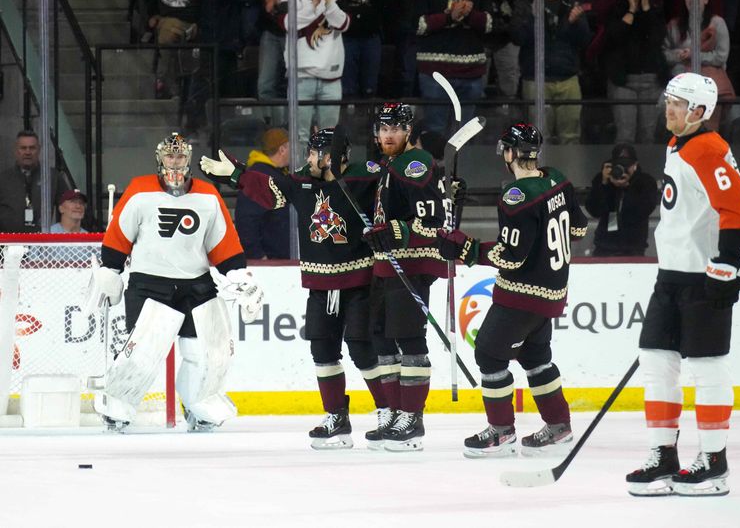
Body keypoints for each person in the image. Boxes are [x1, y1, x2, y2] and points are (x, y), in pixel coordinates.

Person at [200, 127, 389, 449]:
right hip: (320, 282)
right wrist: (235, 175)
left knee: (361, 348)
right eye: (311, 152)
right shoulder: (302, 181)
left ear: (335, 156)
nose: (310, 159)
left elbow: (393, 188)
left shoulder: (364, 177)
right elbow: (270, 192)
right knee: (322, 351)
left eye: (317, 153)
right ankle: (337, 419)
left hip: (359, 281)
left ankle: (387, 411)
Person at [626, 73, 740, 497]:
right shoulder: (678, 144)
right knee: (656, 360)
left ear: (700, 111)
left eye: (679, 103)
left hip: (706, 276)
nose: (670, 109)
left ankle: (714, 462)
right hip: (672, 274)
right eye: (669, 100)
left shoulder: (707, 147)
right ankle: (664, 454)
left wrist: (727, 262)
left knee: (706, 367)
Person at [87, 132, 263, 432]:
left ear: (189, 159)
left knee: (202, 353)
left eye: (180, 156)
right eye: (170, 156)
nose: (175, 161)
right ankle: (117, 405)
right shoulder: (139, 190)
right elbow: (119, 235)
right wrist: (110, 271)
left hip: (196, 285)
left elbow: (224, 244)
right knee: (143, 351)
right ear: (160, 158)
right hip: (148, 283)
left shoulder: (208, 195)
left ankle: (197, 403)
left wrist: (238, 275)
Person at [436, 122, 588, 457]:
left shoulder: (516, 196)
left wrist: (466, 249)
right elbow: (577, 227)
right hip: (552, 293)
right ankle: (559, 425)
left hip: (522, 295)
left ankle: (501, 432)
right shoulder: (557, 180)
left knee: (489, 353)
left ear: (508, 153)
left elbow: (511, 257)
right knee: (536, 357)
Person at [360, 103, 449, 451]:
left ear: (409, 131)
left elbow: (431, 220)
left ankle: (413, 420)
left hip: (410, 263)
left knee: (409, 339)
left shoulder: (415, 164)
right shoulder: (391, 164)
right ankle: (397, 412)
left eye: (395, 129)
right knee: (381, 337)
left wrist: (393, 231)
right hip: (386, 264)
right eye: (382, 130)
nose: (387, 135)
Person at [414, 0, 493, 133]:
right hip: (435, 71)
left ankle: (462, 165)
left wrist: (468, 15)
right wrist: (449, 16)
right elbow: (417, 25)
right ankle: (436, 164)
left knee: (464, 132)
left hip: (471, 70)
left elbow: (490, 24)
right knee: (435, 129)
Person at [511, 0, 591, 144]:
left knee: (570, 136)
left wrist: (574, 23)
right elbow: (518, 38)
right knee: (538, 138)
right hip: (536, 80)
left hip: (567, 78)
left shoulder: (569, 4)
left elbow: (584, 40)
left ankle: (571, 172)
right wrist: (533, 16)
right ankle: (538, 173)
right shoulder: (524, 5)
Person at [279, 0, 350, 145]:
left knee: (329, 136)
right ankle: (300, 175)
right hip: (301, 77)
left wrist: (326, 1)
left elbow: (343, 23)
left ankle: (325, 173)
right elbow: (289, 24)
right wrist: (317, 6)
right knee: (300, 136)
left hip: (331, 78)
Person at [604, 0, 670, 143]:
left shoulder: (654, 13)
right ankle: (623, 167)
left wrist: (645, 8)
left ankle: (646, 168)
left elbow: (656, 38)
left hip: (651, 81)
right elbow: (614, 37)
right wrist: (632, 10)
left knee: (647, 134)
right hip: (623, 82)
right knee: (625, 134)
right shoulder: (616, 12)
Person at [664, 0, 735, 133]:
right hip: (681, 87)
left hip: (710, 85)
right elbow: (664, 53)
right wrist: (679, 54)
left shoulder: (717, 23)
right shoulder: (674, 25)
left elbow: (721, 57)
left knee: (708, 132)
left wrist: (693, 55)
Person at [585, 143, 659, 257]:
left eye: (627, 165)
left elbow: (641, 211)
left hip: (634, 247)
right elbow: (594, 210)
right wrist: (604, 184)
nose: (623, 169)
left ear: (635, 165)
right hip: (604, 246)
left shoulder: (646, 182)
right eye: (619, 165)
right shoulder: (604, 180)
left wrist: (627, 187)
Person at [330, 0, 383, 99]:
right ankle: (349, 121)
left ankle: (369, 120)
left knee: (370, 86)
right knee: (348, 86)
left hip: (371, 36)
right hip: (348, 37)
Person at [233, 127, 291, 260]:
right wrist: (258, 256)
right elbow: (246, 221)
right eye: (291, 147)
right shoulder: (259, 178)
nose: (295, 153)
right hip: (270, 262)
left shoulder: (277, 174)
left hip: (279, 260)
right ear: (282, 149)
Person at [0, 130, 69, 232]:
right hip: (8, 243)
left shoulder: (52, 177)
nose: (28, 152)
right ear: (16, 150)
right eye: (23, 148)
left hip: (41, 242)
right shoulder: (3, 179)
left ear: (39, 150)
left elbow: (68, 208)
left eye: (32, 148)